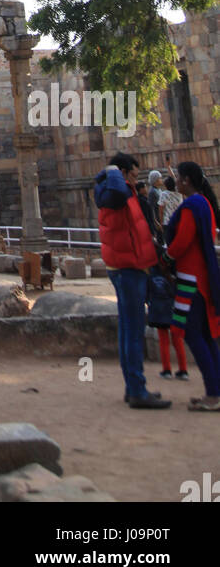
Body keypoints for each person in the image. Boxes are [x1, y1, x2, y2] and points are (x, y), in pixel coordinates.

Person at [94, 151, 170, 409]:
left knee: (129, 329)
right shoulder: (114, 190)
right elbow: (118, 192)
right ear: (124, 173)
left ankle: (133, 387)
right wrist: (113, 171)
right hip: (128, 268)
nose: (137, 181)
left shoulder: (118, 192)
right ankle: (137, 389)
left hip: (128, 266)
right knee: (134, 331)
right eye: (134, 175)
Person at [165, 161, 220, 412]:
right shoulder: (204, 204)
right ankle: (214, 391)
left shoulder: (191, 206)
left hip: (191, 280)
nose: (175, 181)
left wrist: (166, 255)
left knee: (193, 335)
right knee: (206, 336)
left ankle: (212, 394)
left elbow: (182, 242)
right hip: (202, 279)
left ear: (186, 180)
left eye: (178, 177)